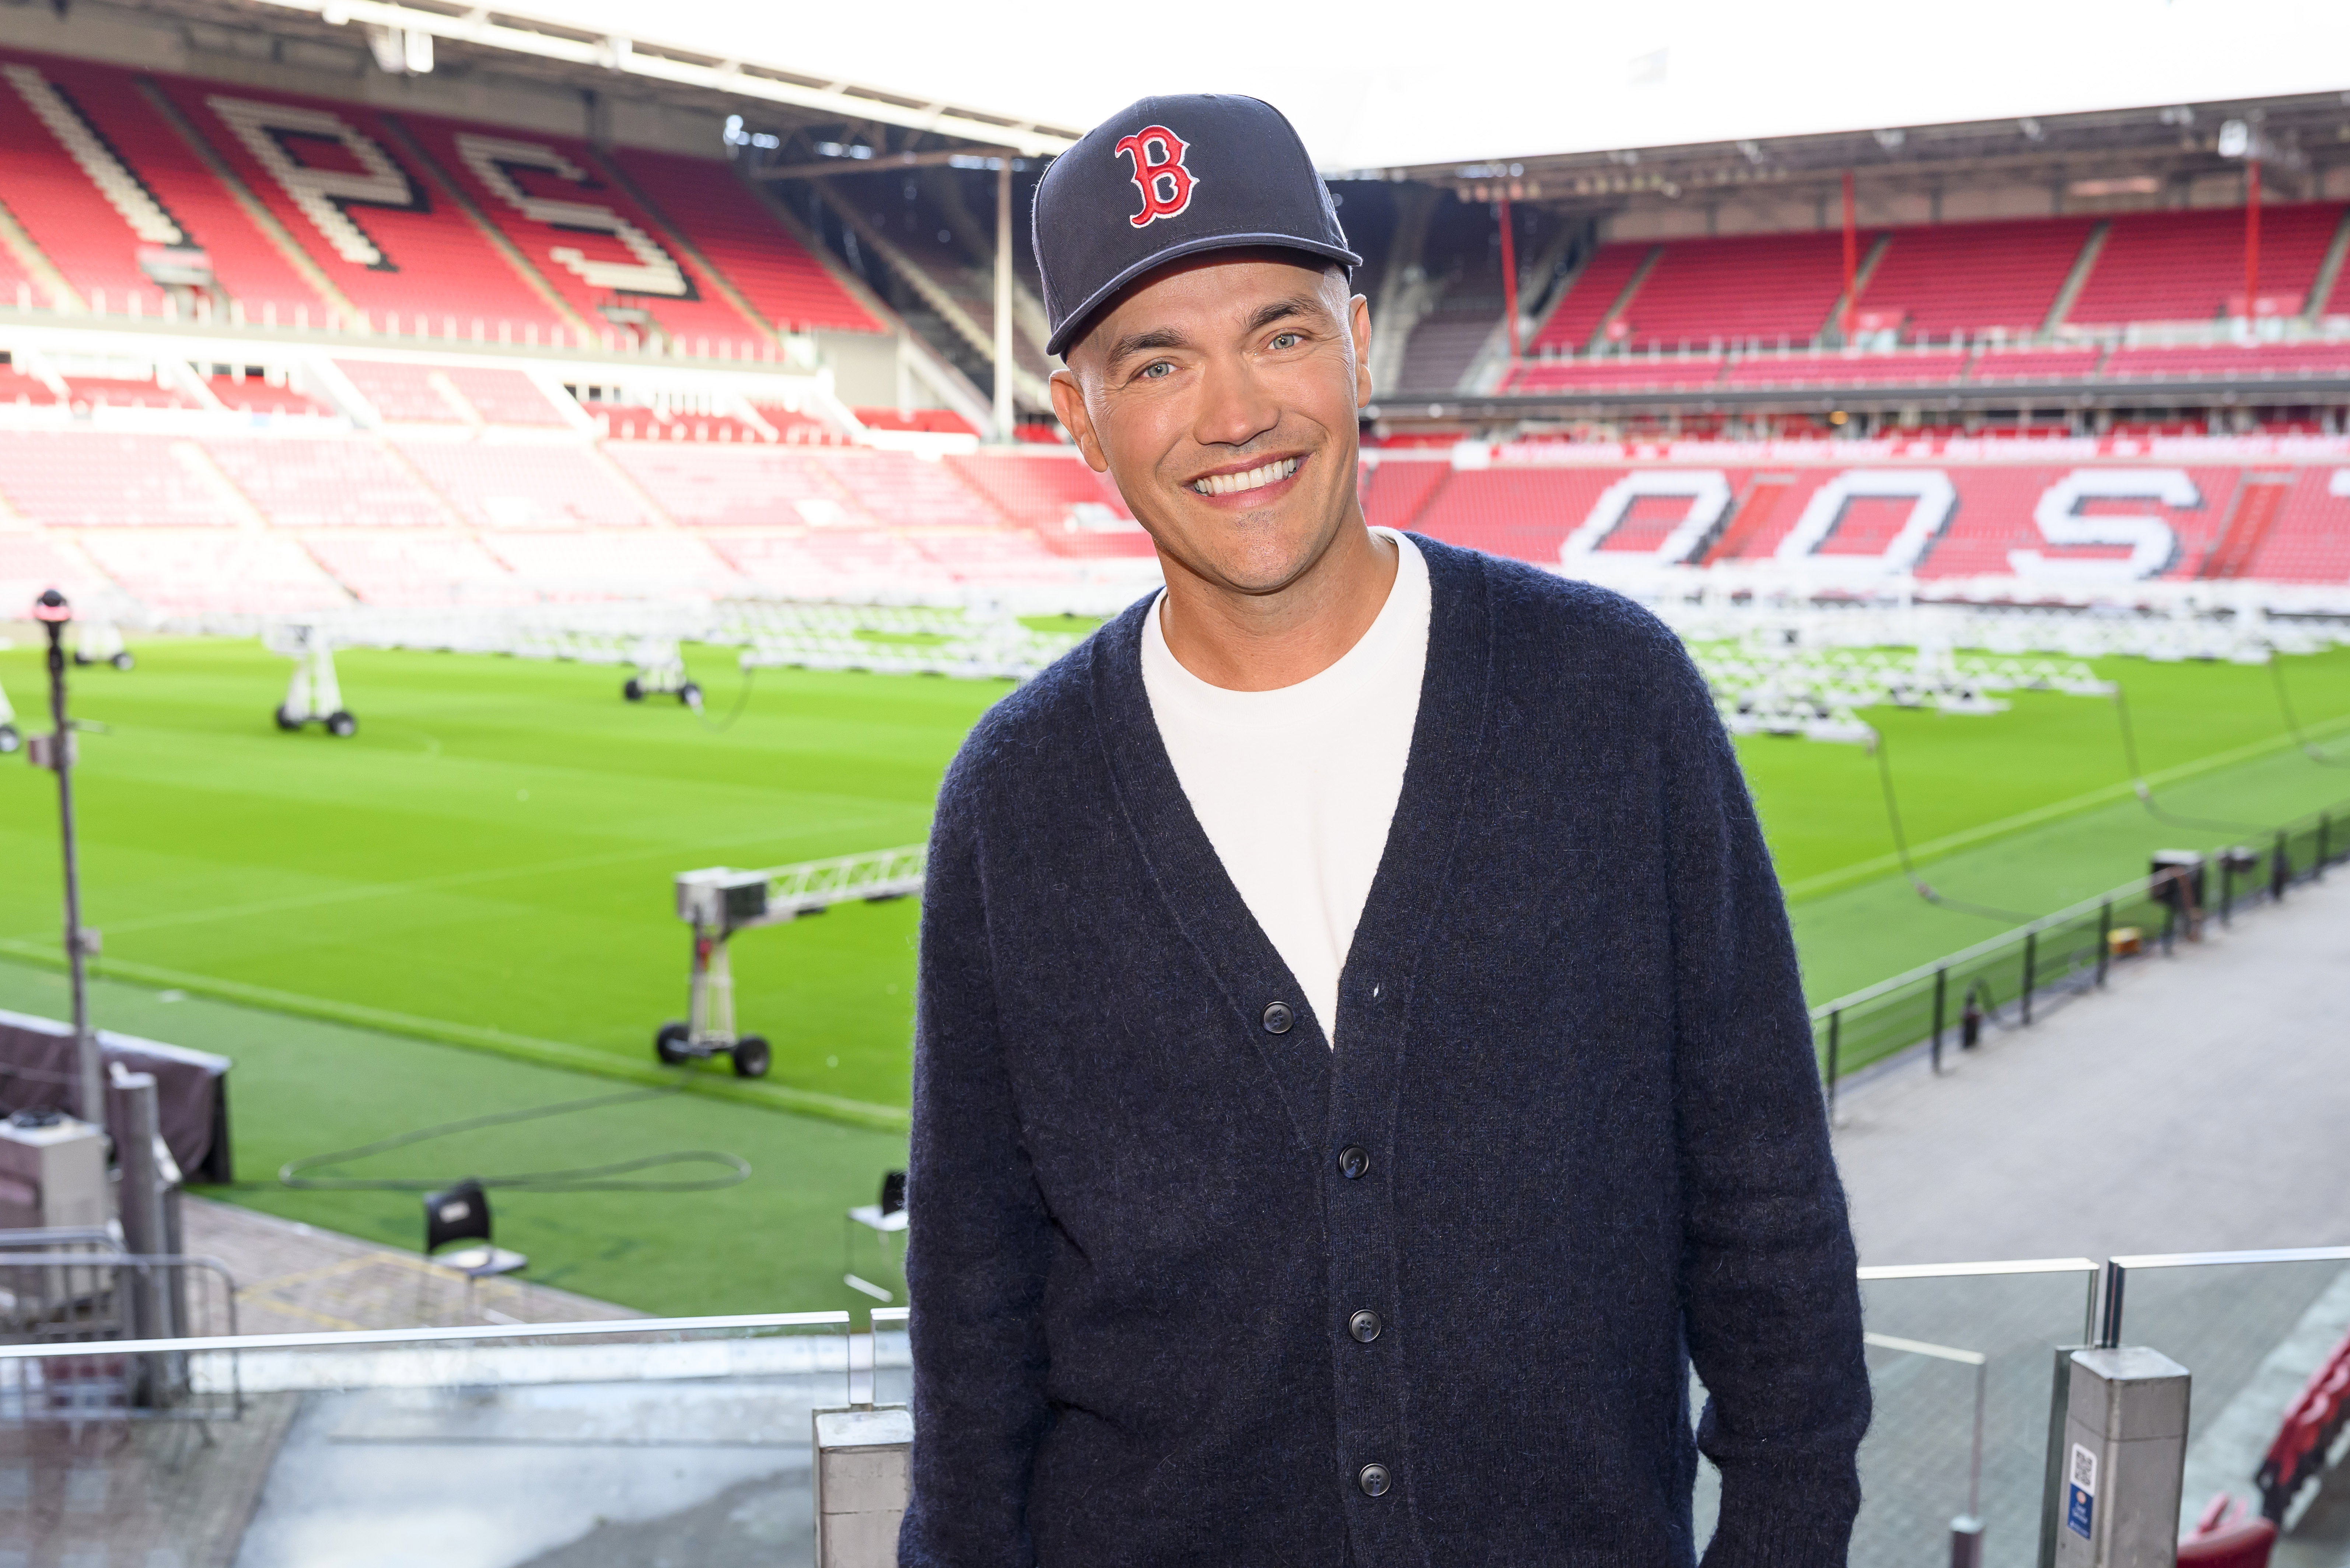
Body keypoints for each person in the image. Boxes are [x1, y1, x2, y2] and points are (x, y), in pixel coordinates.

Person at [900, 93, 1869, 1568]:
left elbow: (1761, 1191)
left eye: (1278, 332)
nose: (1234, 412)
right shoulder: (1014, 795)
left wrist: (1783, 1536)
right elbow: (971, 1301)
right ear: (1078, 417)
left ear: (1358, 341)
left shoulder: (1608, 702)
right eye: (1157, 359)